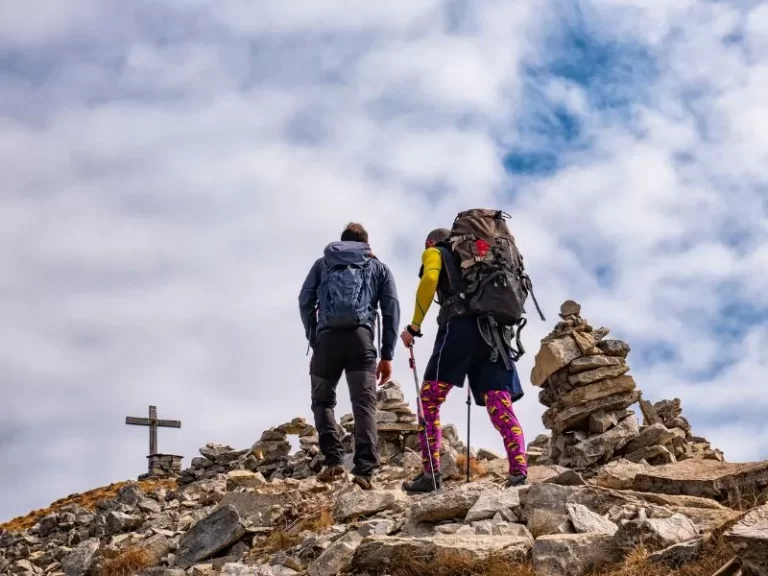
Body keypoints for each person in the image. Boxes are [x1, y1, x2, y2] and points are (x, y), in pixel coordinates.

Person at [399, 228, 528, 493]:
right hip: (494, 335)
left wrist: (414, 326)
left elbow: (429, 279)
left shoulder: (435, 251)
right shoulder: (485, 257)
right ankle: (518, 473)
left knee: (429, 400)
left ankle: (431, 475)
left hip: (458, 331)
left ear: (431, 242)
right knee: (499, 404)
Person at [298, 222, 400, 489]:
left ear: (341, 241)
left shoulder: (323, 264)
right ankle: (364, 470)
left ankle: (333, 460)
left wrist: (314, 336)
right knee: (364, 404)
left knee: (322, 402)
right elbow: (391, 310)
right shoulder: (378, 267)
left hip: (327, 340)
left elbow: (304, 300)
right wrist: (387, 354)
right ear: (366, 243)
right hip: (360, 340)